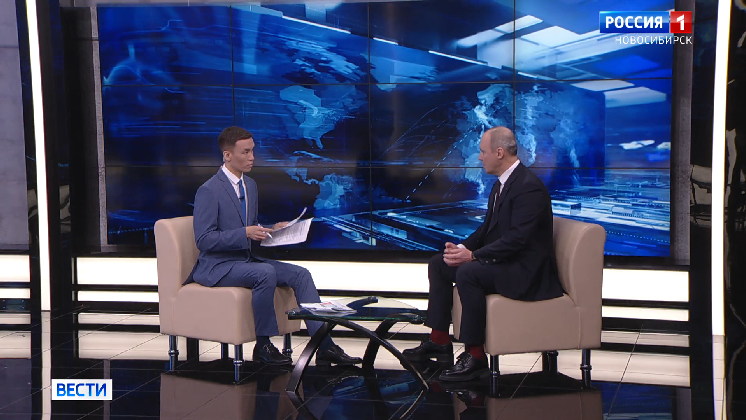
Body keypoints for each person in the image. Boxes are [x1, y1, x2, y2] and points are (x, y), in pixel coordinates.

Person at [188, 126, 361, 367]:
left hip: (245, 260)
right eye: (245, 152)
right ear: (227, 155)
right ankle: (263, 346)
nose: (252, 157)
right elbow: (204, 239)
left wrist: (270, 229)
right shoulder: (209, 190)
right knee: (265, 272)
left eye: (252, 151)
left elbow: (248, 226)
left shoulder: (250, 185)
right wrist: (245, 233)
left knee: (301, 274)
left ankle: (324, 346)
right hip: (217, 266)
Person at [403, 126, 564, 381]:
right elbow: (487, 230)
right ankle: (439, 340)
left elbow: (517, 240)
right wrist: (462, 249)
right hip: (507, 262)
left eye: (483, 152)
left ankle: (476, 356)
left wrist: (473, 257)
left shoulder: (528, 188)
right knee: (440, 264)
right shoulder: (502, 184)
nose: (480, 157)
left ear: (499, 153)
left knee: (469, 273)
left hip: (526, 272)